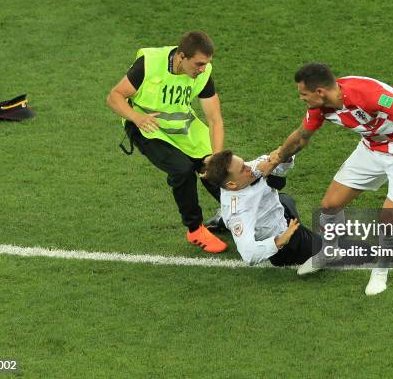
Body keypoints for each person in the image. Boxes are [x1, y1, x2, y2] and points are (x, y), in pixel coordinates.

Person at [268, 63, 393, 295]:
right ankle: (330, 252)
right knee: (329, 205)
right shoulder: (320, 108)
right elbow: (301, 137)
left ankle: (381, 271)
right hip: (372, 149)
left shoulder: (366, 93)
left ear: (320, 92)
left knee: (388, 219)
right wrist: (277, 157)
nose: (301, 99)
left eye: (303, 94)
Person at [106, 31, 227, 253]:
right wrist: (137, 118)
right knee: (182, 170)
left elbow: (214, 119)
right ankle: (195, 230)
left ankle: (232, 214)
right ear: (182, 56)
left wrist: (216, 158)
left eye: (206, 64)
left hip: (182, 128)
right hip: (147, 128)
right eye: (199, 64)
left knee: (217, 166)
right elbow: (114, 96)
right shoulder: (150, 63)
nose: (203, 69)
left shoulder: (203, 72)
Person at [204, 150, 321, 266]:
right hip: (283, 240)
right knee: (326, 250)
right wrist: (279, 241)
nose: (249, 167)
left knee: (285, 199)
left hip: (279, 210)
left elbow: (282, 159)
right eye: (242, 169)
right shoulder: (238, 212)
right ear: (231, 184)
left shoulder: (245, 171)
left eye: (244, 163)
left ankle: (222, 222)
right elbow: (249, 254)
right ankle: (228, 224)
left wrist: (283, 157)